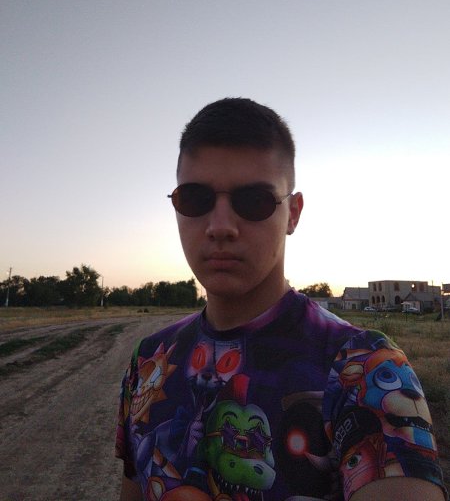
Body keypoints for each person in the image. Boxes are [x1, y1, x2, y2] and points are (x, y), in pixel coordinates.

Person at [116, 98, 447, 501]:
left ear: (293, 213)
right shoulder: (149, 361)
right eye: (195, 199)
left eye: (254, 201)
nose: (220, 226)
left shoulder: (364, 370)